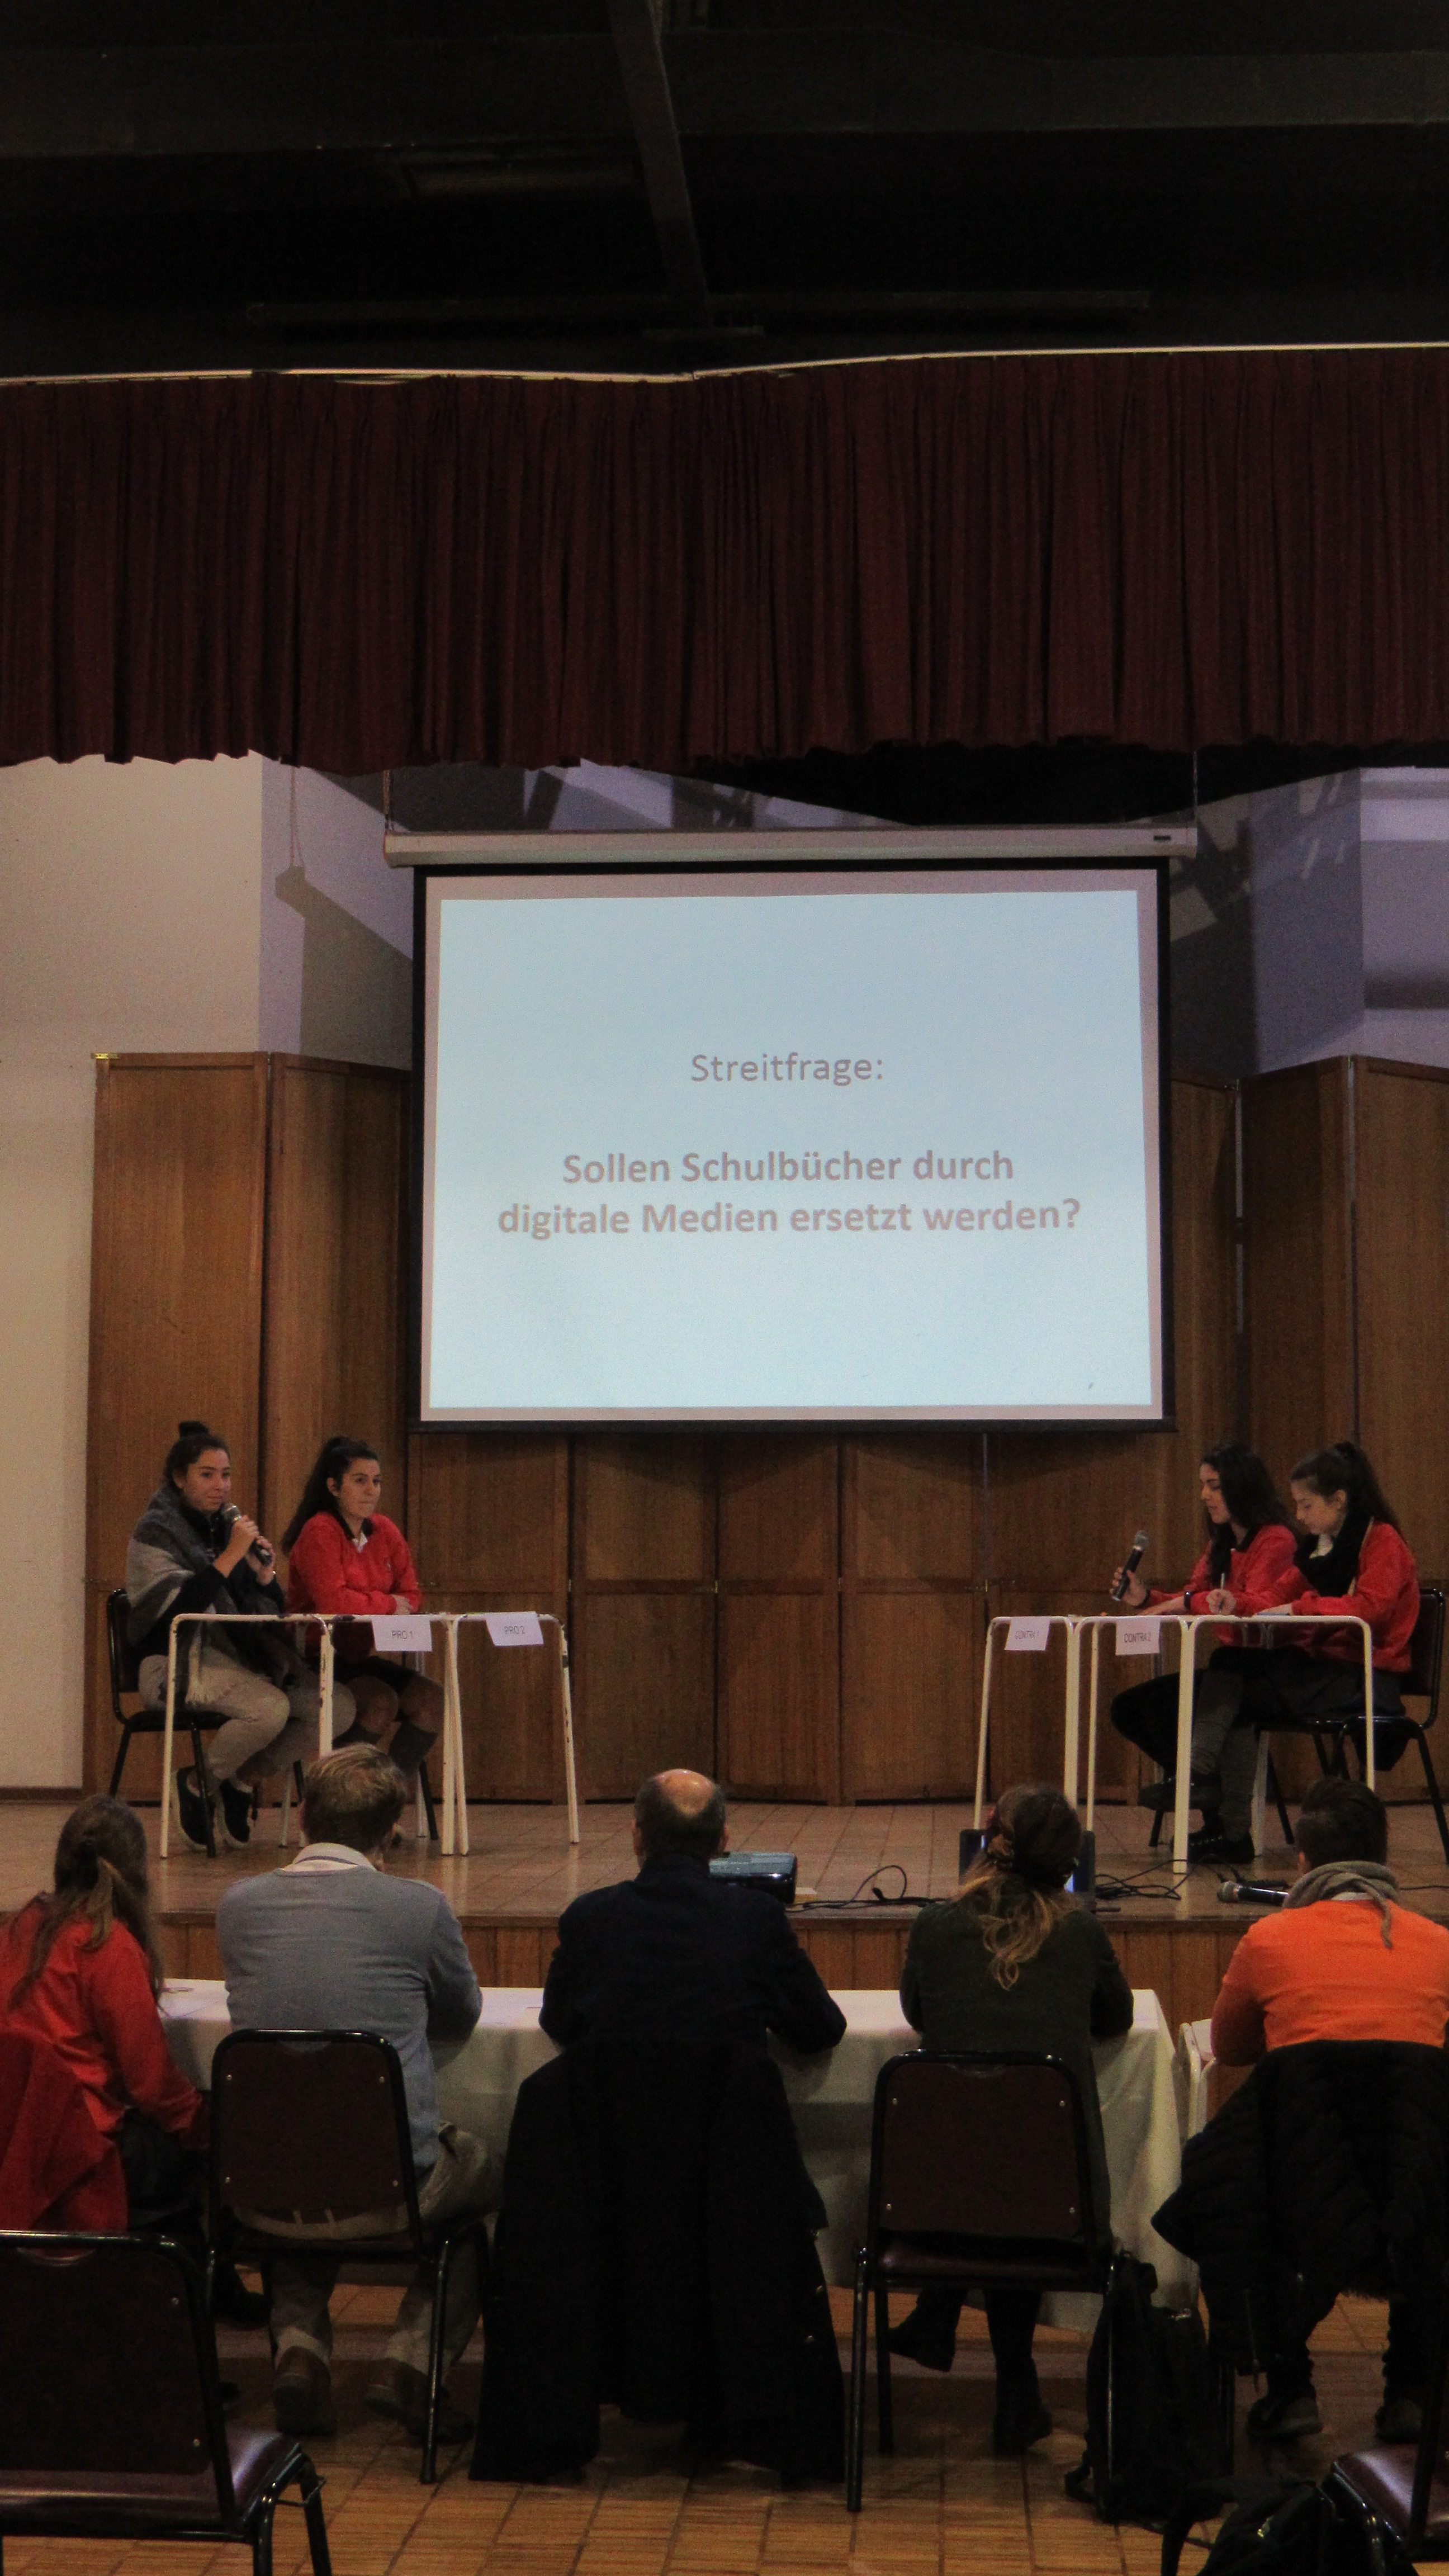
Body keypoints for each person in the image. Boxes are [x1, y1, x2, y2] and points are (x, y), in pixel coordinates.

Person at [216, 1744, 494, 2443]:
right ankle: (411, 2363)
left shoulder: (239, 1906)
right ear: (391, 1832)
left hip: (261, 2190)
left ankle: (300, 2350)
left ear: (303, 1817)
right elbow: (461, 2014)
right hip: (387, 2189)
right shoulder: (419, 1908)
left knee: (299, 2153)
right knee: (489, 2179)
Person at [887, 1784, 1134, 2454]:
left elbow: (918, 2012)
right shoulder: (1080, 1931)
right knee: (1021, 2176)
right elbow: (1116, 2018)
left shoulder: (936, 1925)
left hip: (938, 2200)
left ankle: (948, 2324)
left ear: (990, 1841)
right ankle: (1012, 2385)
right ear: (1069, 1863)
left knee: (989, 2171)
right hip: (1058, 2205)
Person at [1209, 1777, 1449, 2443]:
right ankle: (1411, 2391)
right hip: (1411, 2194)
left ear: (1302, 1861)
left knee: (1239, 2173)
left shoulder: (1269, 1939)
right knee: (1429, 2170)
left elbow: (1229, 2049)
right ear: (1385, 1855)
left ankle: (1289, 2390)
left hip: (1302, 2196)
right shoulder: (1439, 1945)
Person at [127, 1420, 353, 1855]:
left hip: (238, 1660)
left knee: (337, 1707)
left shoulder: (225, 1528)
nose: (221, 1486)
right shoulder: (156, 1532)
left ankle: (242, 1780)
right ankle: (197, 1783)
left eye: (226, 1475)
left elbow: (266, 1615)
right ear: (180, 1478)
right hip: (174, 1663)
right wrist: (231, 1556)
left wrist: (264, 1576)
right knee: (270, 1709)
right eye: (207, 1475)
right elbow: (177, 1611)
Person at [539, 1768, 846, 2055]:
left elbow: (559, 2022)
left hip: (611, 2097)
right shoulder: (757, 1918)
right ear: (722, 1841)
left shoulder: (588, 1916)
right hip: (729, 2097)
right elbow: (820, 2028)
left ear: (637, 1837)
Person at [0, 1795, 207, 2214]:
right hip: (81, 2154)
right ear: (136, 1873)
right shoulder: (106, 1945)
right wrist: (204, 2125)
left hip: (14, 2145)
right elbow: (153, 2086)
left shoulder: (18, 1929)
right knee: (202, 2162)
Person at [1110, 1444, 1298, 1863]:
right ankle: (1202, 1783)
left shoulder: (1276, 1539)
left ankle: (1203, 1789)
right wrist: (1145, 1598)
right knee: (1132, 1707)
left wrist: (1179, 1603)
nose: (1204, 1496)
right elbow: (1192, 1595)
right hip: (1234, 1668)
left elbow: (1254, 1605)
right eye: (1203, 1486)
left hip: (1272, 1665)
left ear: (1240, 1486)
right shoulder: (1222, 1542)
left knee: (1215, 1676)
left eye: (1213, 1486)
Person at [282, 1435, 443, 1784]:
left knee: (431, 1699)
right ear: (334, 1487)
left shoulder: (385, 1530)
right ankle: (337, 1793)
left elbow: (412, 1594)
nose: (371, 1490)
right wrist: (387, 1604)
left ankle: (386, 1795)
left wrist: (388, 1603)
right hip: (313, 1656)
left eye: (377, 1481)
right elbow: (335, 1604)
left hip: (356, 1656)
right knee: (379, 1701)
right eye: (360, 1481)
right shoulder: (319, 1530)